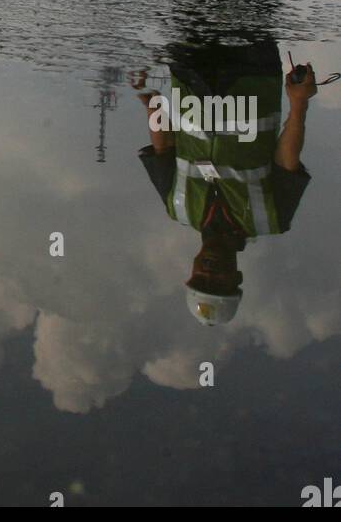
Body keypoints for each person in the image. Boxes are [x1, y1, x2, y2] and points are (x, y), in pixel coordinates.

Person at [133, 40, 315, 325]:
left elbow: (164, 149)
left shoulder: (177, 207)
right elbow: (286, 162)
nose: (209, 274)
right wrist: (299, 103)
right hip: (252, 77)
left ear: (191, 273)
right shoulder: (272, 219)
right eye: (218, 284)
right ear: (236, 278)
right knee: (251, 1)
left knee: (190, 2)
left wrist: (151, 103)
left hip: (190, 77)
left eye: (201, 281)